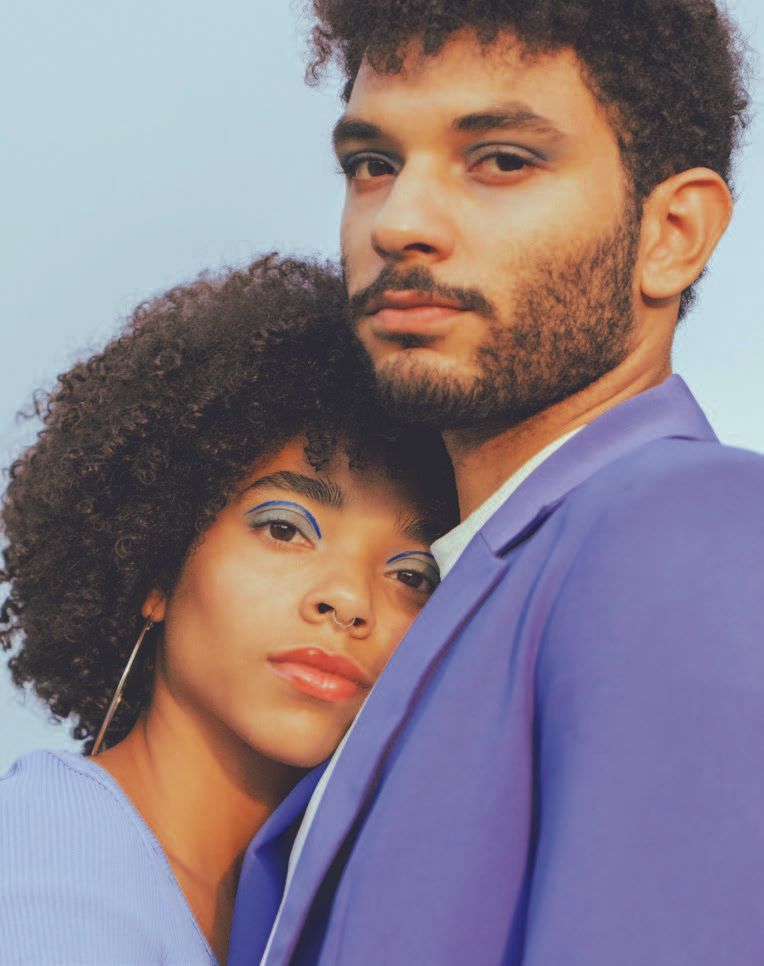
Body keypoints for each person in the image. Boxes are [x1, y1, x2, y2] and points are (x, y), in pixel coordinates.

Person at [228, 3, 764, 964]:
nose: (400, 223)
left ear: (672, 232)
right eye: (372, 164)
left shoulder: (693, 527)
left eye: (502, 160)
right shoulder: (477, 593)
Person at [0, 255, 456, 964]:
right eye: (284, 528)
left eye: (414, 573)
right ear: (156, 563)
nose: (348, 601)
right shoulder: (49, 851)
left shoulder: (315, 916)